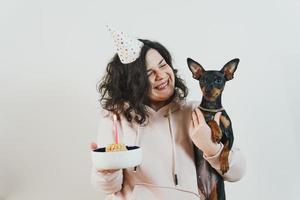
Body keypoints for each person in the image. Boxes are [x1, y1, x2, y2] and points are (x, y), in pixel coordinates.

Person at [90, 27, 246, 200]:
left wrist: (211, 147)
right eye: (149, 73)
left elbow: (237, 173)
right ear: (134, 84)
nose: (161, 75)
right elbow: (108, 187)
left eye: (163, 65)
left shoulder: (197, 113)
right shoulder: (114, 118)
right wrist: (106, 168)